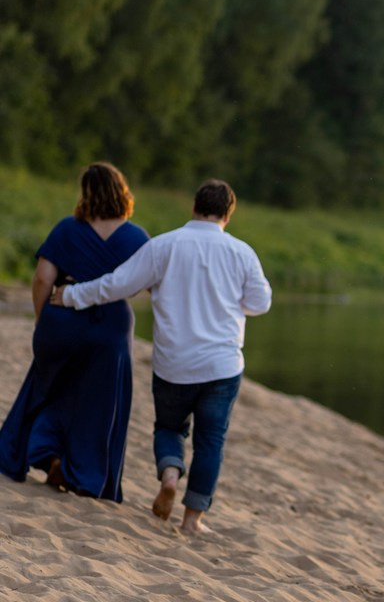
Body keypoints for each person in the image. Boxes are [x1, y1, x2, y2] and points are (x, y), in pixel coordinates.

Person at [51, 178, 272, 533]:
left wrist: (70, 295)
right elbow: (260, 303)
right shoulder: (242, 252)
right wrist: (229, 302)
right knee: (210, 441)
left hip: (174, 363)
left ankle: (170, 476)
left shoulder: (164, 246)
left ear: (194, 207)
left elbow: (117, 284)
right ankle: (192, 519)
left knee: (169, 426)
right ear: (228, 214)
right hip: (222, 365)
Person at [0, 161, 149, 501]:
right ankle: (83, 474)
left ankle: (48, 454)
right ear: (122, 192)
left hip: (62, 319)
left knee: (50, 389)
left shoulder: (67, 229)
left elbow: (42, 278)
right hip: (110, 327)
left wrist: (43, 319)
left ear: (86, 193)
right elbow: (149, 286)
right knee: (100, 404)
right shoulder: (137, 238)